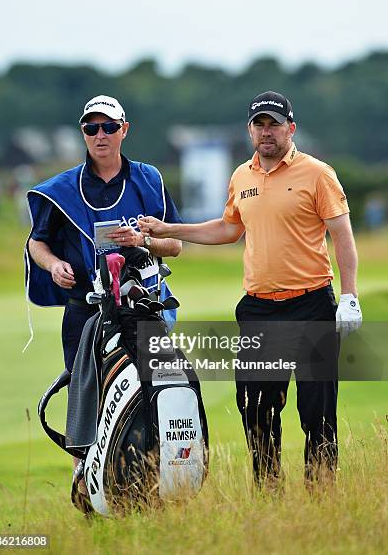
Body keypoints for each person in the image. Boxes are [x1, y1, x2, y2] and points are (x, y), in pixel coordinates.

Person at [138, 90, 363, 486]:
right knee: (256, 408)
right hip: (259, 309)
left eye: (274, 124)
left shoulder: (317, 173)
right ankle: (268, 490)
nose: (266, 132)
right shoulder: (241, 176)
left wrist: (349, 296)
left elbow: (342, 234)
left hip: (312, 304)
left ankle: (323, 495)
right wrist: (168, 228)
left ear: (290, 128)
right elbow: (228, 228)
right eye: (259, 124)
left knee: (317, 411)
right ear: (249, 130)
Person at [26, 94, 182, 374]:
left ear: (124, 130)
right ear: (83, 133)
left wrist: (141, 240)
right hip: (85, 313)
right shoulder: (62, 190)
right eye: (91, 128)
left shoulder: (149, 180)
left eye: (109, 127)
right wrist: (53, 264)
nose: (101, 135)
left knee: (155, 399)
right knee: (87, 403)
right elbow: (36, 242)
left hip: (144, 308)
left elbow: (175, 245)